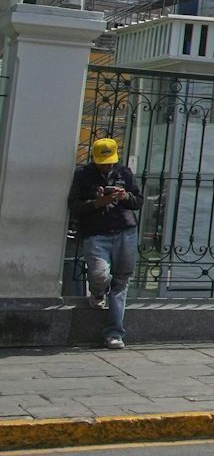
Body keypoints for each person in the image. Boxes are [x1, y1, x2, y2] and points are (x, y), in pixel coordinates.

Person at [68, 138, 143, 350]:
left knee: (121, 282)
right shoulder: (83, 176)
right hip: (96, 232)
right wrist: (96, 203)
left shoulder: (124, 173)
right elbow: (74, 206)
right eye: (103, 162)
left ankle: (114, 333)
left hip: (125, 230)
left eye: (110, 162)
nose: (107, 166)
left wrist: (125, 195)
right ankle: (98, 291)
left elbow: (138, 201)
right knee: (99, 274)